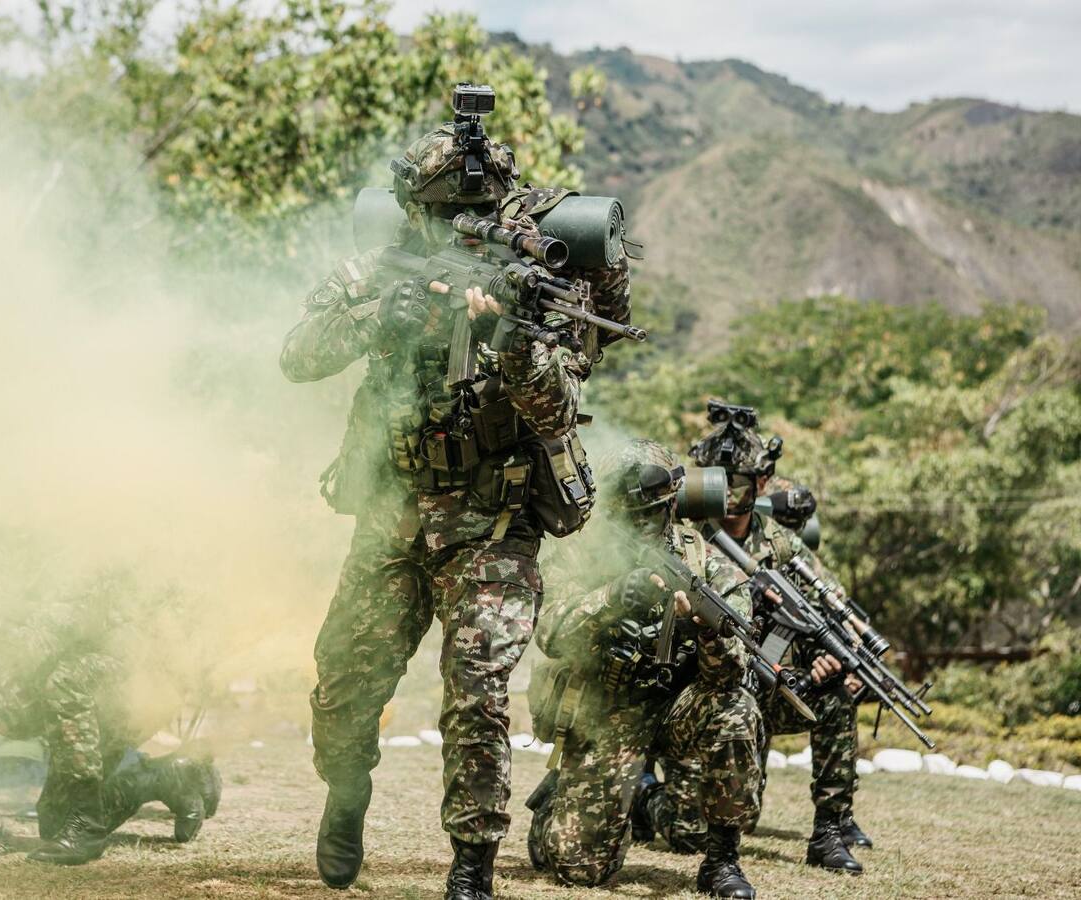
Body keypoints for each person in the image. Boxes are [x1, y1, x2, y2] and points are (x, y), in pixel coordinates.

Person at [279, 85, 633, 897]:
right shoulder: (379, 268)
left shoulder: (540, 285)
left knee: (476, 695)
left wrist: (510, 339)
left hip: (494, 521)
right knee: (342, 682)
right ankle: (347, 792)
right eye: (439, 220)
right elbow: (297, 354)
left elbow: (559, 405)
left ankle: (471, 864)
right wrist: (384, 315)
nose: (457, 233)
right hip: (392, 514)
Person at [525, 439, 761, 898]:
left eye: (648, 514)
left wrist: (708, 634)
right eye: (626, 515)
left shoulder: (704, 562)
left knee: (737, 709)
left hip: (676, 709)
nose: (638, 526)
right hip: (607, 715)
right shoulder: (581, 552)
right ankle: (561, 795)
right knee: (577, 868)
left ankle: (722, 862)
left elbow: (733, 670)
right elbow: (550, 632)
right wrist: (613, 597)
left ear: (670, 506)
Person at [661, 400, 869, 874]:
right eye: (717, 474)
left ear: (763, 482)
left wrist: (828, 658)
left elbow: (825, 605)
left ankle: (830, 832)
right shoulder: (683, 534)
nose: (727, 487)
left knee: (834, 694)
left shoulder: (781, 544)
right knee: (686, 833)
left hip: (764, 680)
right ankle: (644, 793)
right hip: (696, 691)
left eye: (739, 477)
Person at [0, 581, 221, 866]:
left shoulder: (88, 582)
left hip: (144, 687)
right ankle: (164, 778)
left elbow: (61, 632)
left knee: (63, 680)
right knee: (54, 823)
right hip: (114, 694)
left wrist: (85, 815)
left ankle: (88, 824)